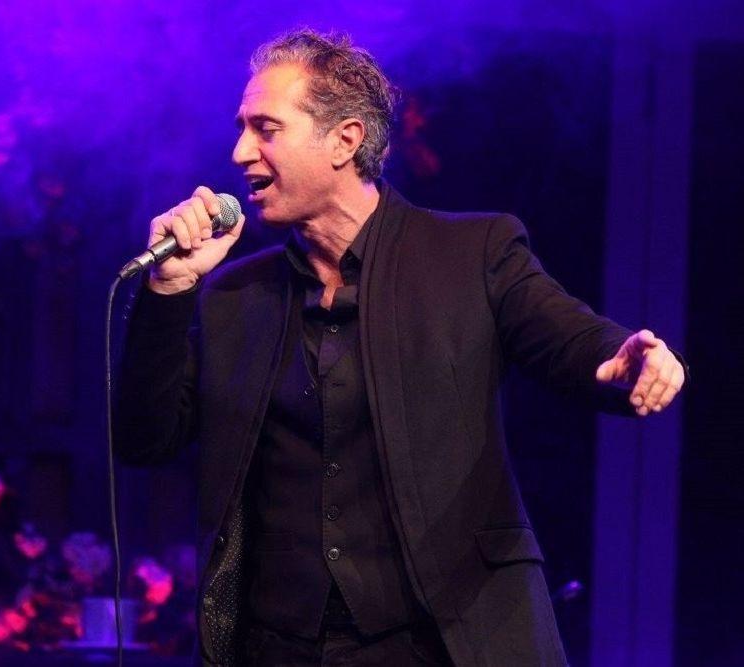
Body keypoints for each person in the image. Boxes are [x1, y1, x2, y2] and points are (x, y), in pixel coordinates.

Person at [114, 28, 686, 666]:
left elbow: (566, 334)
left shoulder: (471, 253)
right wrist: (169, 289)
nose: (240, 151)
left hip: (440, 638)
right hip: (280, 646)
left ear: (345, 140)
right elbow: (144, 439)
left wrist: (621, 357)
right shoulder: (236, 295)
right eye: (242, 129)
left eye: (265, 129)